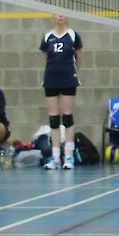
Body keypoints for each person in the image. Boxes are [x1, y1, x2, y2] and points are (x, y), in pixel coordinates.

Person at [39, 14, 83, 170]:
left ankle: (69, 155)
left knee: (68, 117)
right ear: (53, 17)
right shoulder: (47, 36)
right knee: (53, 118)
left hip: (68, 78)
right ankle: (55, 156)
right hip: (51, 78)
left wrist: (72, 72)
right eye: (57, 14)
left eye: (63, 14)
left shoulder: (72, 35)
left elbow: (79, 57)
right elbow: (45, 57)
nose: (60, 17)